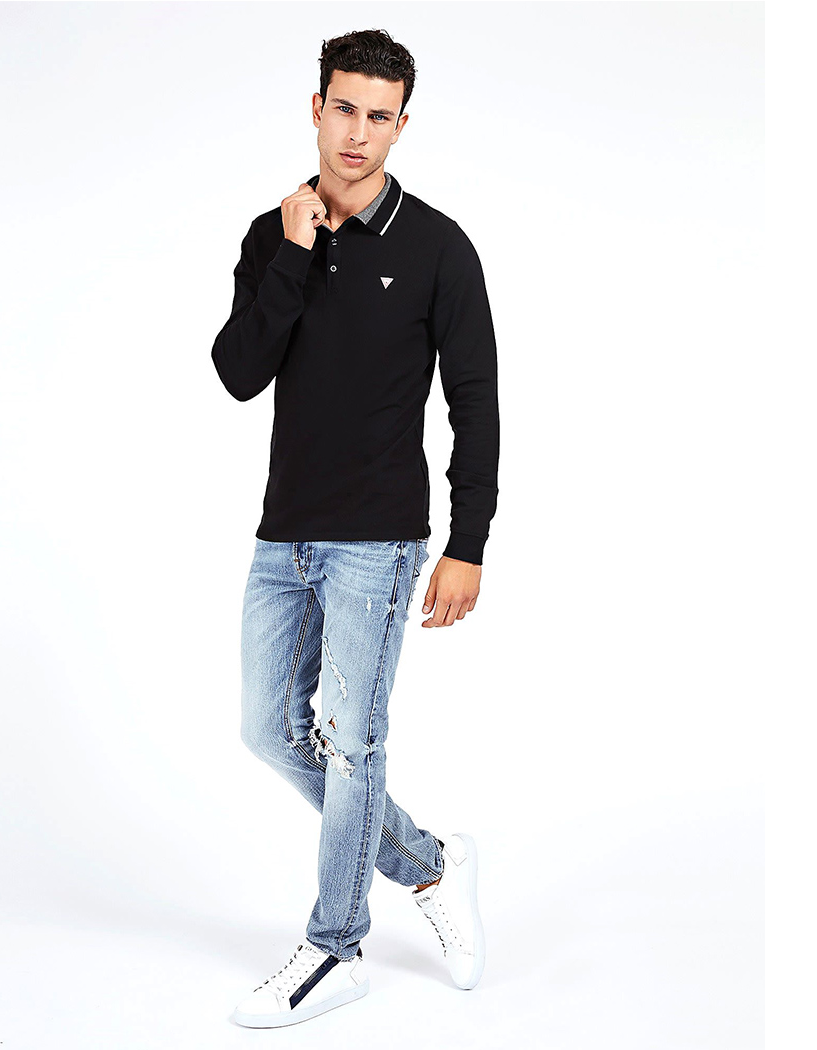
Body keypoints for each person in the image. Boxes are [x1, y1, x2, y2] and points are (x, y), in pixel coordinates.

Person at [211, 28, 499, 1028]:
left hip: (379, 539)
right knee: (268, 730)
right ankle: (429, 861)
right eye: (345, 109)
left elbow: (475, 402)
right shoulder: (274, 234)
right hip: (282, 535)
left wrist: (467, 542)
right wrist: (295, 254)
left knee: (350, 742)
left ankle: (336, 947)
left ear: (401, 125)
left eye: (380, 116)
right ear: (317, 108)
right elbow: (239, 372)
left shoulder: (438, 247)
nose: (359, 133)